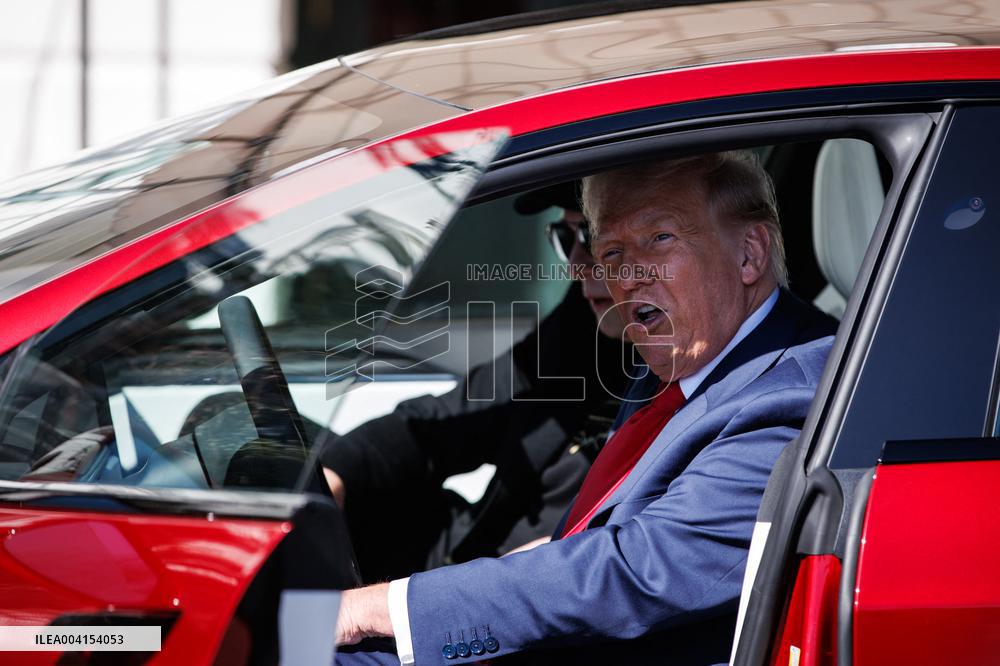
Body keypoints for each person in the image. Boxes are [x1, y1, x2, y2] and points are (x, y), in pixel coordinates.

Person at [333, 151, 839, 665]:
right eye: (611, 252)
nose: (627, 275)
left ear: (750, 254)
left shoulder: (792, 394)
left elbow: (638, 569)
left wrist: (381, 607)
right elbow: (462, 417)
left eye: (660, 238)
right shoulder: (685, 349)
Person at [319, 185, 640, 582]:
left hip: (524, 590)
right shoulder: (582, 324)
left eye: (589, 237)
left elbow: (634, 555)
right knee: (282, 460)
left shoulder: (689, 387)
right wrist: (336, 473)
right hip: (465, 556)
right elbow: (450, 419)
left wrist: (560, 557)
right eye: (564, 237)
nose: (575, 265)